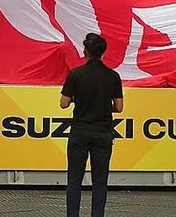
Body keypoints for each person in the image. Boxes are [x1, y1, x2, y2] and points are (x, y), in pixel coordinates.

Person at [60, 33, 122, 217]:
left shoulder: (76, 74)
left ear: (84, 51)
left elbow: (64, 103)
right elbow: (119, 107)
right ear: (103, 53)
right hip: (102, 133)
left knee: (74, 181)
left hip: (80, 132)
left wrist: (79, 100)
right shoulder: (113, 76)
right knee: (100, 182)